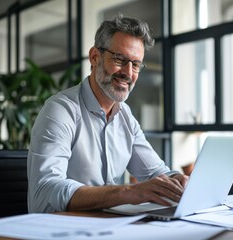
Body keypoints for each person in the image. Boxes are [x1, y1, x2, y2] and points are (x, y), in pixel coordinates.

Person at [27, 14, 189, 213]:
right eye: (120, 59)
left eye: (136, 64)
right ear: (95, 57)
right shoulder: (60, 110)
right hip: (58, 230)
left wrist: (177, 181)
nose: (128, 73)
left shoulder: (125, 116)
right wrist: (129, 192)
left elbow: (156, 173)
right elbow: (47, 188)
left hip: (108, 227)